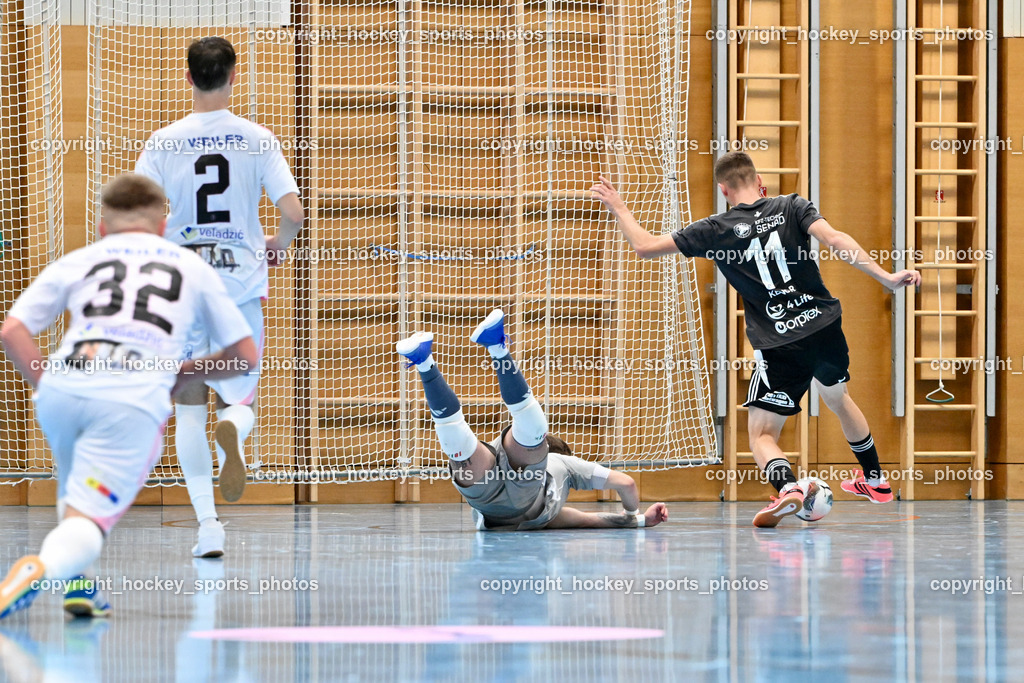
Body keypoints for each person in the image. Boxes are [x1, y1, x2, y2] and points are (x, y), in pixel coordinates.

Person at [591, 152, 921, 527]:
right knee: (837, 396)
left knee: (762, 434)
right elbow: (834, 239)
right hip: (825, 326)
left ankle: (789, 489)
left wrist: (619, 207)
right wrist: (886, 276)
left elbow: (645, 247)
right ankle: (876, 480)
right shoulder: (792, 205)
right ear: (758, 179)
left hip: (780, 342)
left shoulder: (715, 230)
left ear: (723, 189)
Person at [0, 175, 258, 619]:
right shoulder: (190, 267)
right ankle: (37, 570)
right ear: (162, 227)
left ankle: (80, 587)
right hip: (130, 397)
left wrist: (47, 384)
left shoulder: (81, 259)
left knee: (75, 487)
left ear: (103, 227)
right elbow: (244, 355)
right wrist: (181, 374)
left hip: (64, 385)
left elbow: (12, 330)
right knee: (89, 518)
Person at [134, 36, 304, 557]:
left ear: (188, 78)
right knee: (239, 396)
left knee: (187, 407)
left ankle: (208, 527)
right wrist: (276, 245)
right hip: (239, 285)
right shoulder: (257, 138)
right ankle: (232, 425)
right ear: (234, 76)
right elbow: (295, 212)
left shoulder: (163, 141)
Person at [396, 309, 669, 530]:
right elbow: (625, 486)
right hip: (487, 495)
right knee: (458, 444)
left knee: (523, 428)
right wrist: (635, 518)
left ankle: (488, 349)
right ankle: (425, 364)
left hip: (502, 490)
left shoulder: (551, 511)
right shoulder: (564, 468)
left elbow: (620, 491)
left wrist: (637, 517)